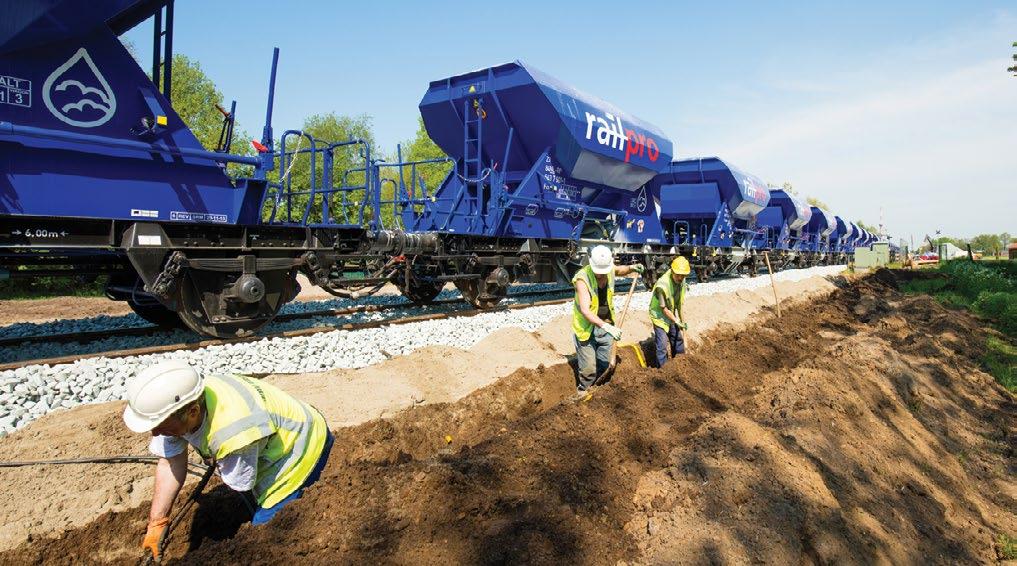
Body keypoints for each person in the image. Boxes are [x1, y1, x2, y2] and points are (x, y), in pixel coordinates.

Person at [122, 360, 332, 560]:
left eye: (160, 426)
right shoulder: (186, 401)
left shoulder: (233, 433)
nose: (155, 433)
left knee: (263, 537)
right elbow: (170, 461)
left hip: (300, 447)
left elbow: (241, 483)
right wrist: (157, 522)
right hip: (274, 430)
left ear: (192, 412)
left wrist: (217, 456)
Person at [571, 245, 644, 392]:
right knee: (589, 371)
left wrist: (632, 268)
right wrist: (605, 326)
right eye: (598, 272)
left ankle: (602, 396)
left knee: (605, 365)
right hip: (587, 330)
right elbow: (585, 310)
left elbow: (619, 270)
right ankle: (584, 397)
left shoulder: (608, 269)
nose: (601, 275)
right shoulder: (582, 279)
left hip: (606, 327)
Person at [649, 256, 690, 367]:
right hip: (659, 316)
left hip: (670, 314)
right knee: (662, 345)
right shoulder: (662, 285)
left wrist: (681, 321)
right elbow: (663, 308)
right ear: (672, 271)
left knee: (678, 339)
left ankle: (681, 364)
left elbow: (679, 304)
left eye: (683, 275)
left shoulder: (681, 280)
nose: (680, 278)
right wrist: (676, 320)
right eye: (678, 275)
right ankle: (663, 371)